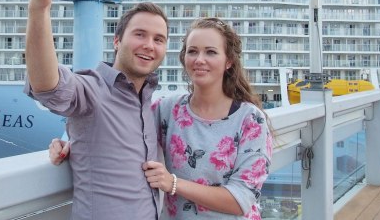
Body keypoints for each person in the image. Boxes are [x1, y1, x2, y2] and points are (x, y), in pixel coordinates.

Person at [51, 17, 273, 219]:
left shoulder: (250, 120)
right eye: (193, 51)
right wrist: (74, 143)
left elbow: (241, 199)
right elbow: (126, 131)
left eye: (211, 52)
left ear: (229, 62)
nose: (199, 59)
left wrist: (173, 183)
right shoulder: (168, 109)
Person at [24, 0, 168, 220]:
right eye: (139, 34)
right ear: (116, 41)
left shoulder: (149, 104)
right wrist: (39, 7)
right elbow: (48, 86)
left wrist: (73, 145)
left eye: (159, 39)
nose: (149, 45)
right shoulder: (91, 90)